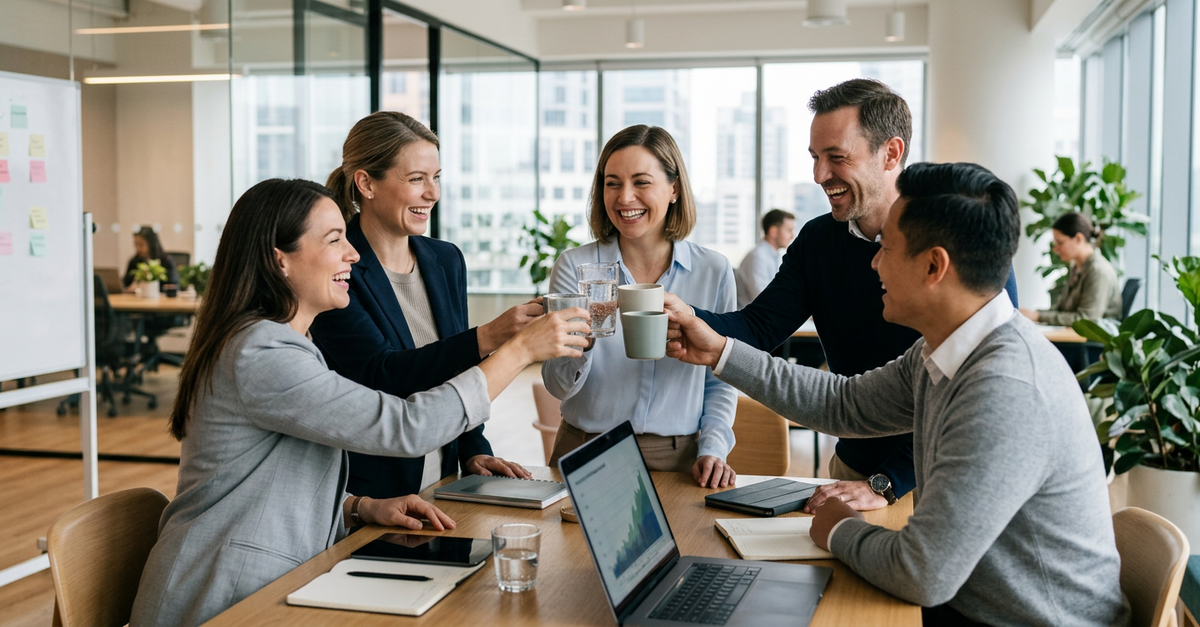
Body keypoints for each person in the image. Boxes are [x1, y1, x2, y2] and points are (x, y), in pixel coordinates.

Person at [667, 162, 1130, 626]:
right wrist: (720, 351)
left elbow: (922, 572)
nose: (873, 262)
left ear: (934, 266)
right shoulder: (943, 350)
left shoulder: (1004, 389)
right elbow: (842, 404)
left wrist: (839, 530)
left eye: (886, 248)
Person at [130, 179, 589, 626]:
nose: (352, 253)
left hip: (269, 579)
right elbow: (406, 428)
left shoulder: (281, 343)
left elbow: (271, 478)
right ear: (280, 260)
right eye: (334, 240)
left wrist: (358, 508)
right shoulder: (260, 352)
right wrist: (520, 352)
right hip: (223, 598)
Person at [666, 79, 1019, 511]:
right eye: (815, 158)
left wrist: (887, 482)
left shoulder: (962, 246)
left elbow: (973, 397)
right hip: (854, 468)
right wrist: (688, 319)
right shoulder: (819, 241)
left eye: (837, 157)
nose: (819, 176)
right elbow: (770, 335)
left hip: (937, 472)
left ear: (891, 154)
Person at [310, 111, 538, 500]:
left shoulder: (446, 259)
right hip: (373, 495)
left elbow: (456, 370)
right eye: (416, 179)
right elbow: (382, 375)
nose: (432, 193)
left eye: (436, 178)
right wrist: (490, 336)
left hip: (445, 480)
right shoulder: (336, 266)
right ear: (366, 183)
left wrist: (473, 450)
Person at [542, 125, 738, 488]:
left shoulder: (713, 270)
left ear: (674, 189)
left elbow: (720, 376)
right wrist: (582, 344)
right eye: (612, 183)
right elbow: (557, 385)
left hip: (679, 458)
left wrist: (713, 446)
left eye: (642, 182)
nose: (624, 197)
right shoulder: (574, 267)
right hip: (584, 448)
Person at [1019, 211, 1122, 325]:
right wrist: (1033, 314)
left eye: (1060, 242)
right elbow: (1061, 310)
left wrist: (1038, 316)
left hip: (1091, 340)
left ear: (1078, 238)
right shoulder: (1077, 267)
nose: (1055, 249)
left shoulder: (1098, 271)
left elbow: (1087, 320)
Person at [735, 208, 794, 308]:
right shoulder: (757, 257)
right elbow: (763, 298)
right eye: (789, 230)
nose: (792, 236)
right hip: (751, 318)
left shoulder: (773, 256)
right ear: (773, 231)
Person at [122, 226, 180, 290]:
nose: (137, 248)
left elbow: (173, 286)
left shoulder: (166, 261)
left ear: (151, 244)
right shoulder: (134, 261)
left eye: (141, 245)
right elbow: (125, 284)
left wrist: (143, 287)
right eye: (136, 244)